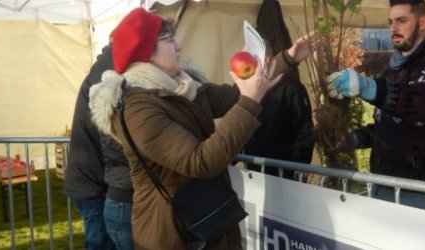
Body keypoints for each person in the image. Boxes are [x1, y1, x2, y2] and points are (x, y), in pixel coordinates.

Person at [88, 8, 316, 249]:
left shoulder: (182, 87)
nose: (178, 46)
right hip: (172, 231)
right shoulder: (137, 109)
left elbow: (234, 95)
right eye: (168, 40)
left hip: (205, 218)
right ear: (146, 53)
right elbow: (199, 161)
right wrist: (249, 104)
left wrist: (288, 58)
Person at [327, 0, 425, 215]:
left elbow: (424, 104)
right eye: (390, 22)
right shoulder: (392, 70)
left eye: (402, 20)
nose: (393, 28)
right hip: (385, 185)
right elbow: (387, 124)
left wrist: (369, 87)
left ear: (423, 22)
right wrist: (353, 139)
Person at [65, 44, 134, 250]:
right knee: (100, 243)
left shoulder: (105, 69)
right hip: (92, 185)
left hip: (91, 181)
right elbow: (113, 142)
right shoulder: (107, 75)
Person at [243, 1, 315, 179]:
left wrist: (292, 171)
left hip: (277, 176)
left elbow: (304, 136)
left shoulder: (291, 89)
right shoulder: (251, 89)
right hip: (265, 175)